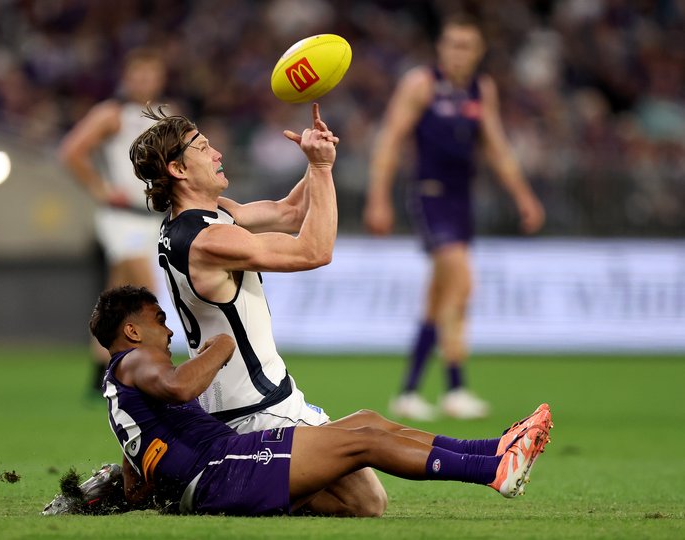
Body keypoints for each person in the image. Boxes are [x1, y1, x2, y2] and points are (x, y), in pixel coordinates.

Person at [128, 102, 390, 516]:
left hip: (241, 396)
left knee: (364, 494)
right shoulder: (207, 239)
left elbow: (290, 212)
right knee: (366, 501)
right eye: (202, 147)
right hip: (254, 405)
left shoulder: (207, 218)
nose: (216, 153)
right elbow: (314, 251)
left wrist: (315, 160)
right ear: (178, 170)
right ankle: (207, 492)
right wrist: (321, 170)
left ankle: (203, 486)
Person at [92, 285, 552, 515]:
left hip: (219, 471)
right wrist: (222, 346)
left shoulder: (122, 393)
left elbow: (137, 483)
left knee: (365, 423)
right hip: (224, 468)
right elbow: (179, 387)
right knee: (364, 441)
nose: (170, 329)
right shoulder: (136, 362)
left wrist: (114, 498)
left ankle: (493, 448)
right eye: (158, 320)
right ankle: (492, 471)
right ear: (131, 332)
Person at [363, 13, 546, 421]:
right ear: (440, 48)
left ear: (479, 52)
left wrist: (523, 195)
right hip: (431, 197)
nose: (457, 52)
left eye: (466, 45)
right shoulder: (422, 84)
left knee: (440, 298)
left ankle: (408, 392)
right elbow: (390, 140)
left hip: (462, 202)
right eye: (451, 44)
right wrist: (379, 199)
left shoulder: (482, 89)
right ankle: (455, 386)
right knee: (462, 284)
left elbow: (497, 146)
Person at [58, 47, 170, 394]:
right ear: (126, 77)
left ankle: (99, 378)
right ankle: (161, 375)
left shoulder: (166, 115)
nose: (143, 81)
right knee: (149, 292)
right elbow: (72, 151)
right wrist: (100, 188)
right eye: (137, 74)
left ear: (160, 78)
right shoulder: (112, 114)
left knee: (116, 300)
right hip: (121, 218)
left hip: (150, 217)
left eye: (149, 74)